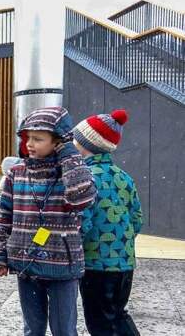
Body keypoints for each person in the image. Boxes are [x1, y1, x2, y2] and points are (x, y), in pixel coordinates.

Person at [0, 106, 97, 336]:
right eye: (28, 138)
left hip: (62, 265)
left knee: (64, 329)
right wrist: (0, 255)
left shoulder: (72, 171)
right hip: (25, 262)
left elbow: (83, 198)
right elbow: (4, 218)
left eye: (38, 139)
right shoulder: (16, 173)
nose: (30, 143)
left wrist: (69, 155)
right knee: (32, 328)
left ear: (58, 141)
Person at [72, 109, 142, 336]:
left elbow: (83, 222)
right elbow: (136, 218)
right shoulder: (124, 177)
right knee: (117, 314)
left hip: (96, 263)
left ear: (85, 144)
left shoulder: (84, 177)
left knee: (99, 320)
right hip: (124, 262)